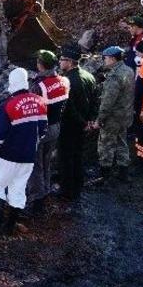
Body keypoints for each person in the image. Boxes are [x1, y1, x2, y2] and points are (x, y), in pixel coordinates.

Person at [0, 67, 47, 235]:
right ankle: (10, 226)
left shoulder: (9, 106)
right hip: (28, 157)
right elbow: (42, 130)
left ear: (12, 83)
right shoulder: (40, 102)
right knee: (18, 189)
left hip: (7, 156)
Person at [57, 44, 97, 200]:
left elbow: (68, 108)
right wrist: (89, 121)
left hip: (70, 126)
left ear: (69, 61)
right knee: (78, 155)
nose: (60, 63)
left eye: (61, 59)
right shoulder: (89, 76)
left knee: (66, 158)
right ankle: (78, 186)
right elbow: (95, 101)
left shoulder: (66, 81)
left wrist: (82, 122)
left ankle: (67, 191)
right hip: (84, 124)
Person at [28, 49, 69, 205]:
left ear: (41, 65)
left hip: (40, 129)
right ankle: (46, 189)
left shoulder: (38, 86)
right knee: (47, 160)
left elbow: (32, 110)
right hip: (56, 126)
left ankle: (37, 197)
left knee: (35, 164)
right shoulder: (64, 81)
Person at [97, 46, 134, 180]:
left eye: (105, 58)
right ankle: (123, 173)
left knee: (106, 145)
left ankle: (104, 175)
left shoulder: (114, 76)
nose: (104, 61)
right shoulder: (129, 70)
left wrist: (99, 119)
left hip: (112, 118)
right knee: (122, 143)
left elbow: (107, 102)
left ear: (112, 59)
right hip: (125, 115)